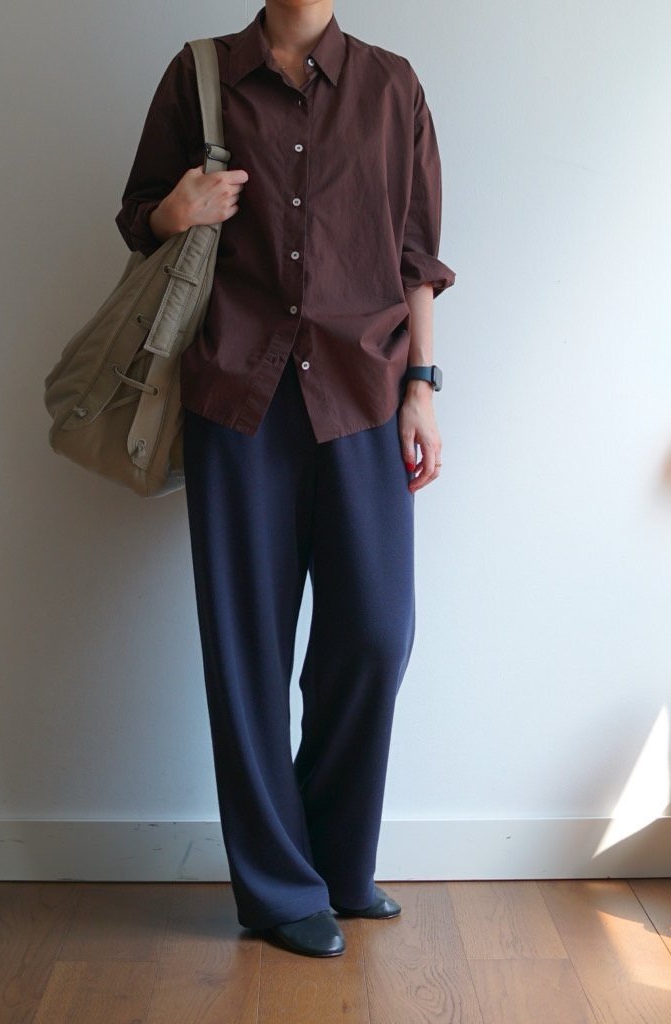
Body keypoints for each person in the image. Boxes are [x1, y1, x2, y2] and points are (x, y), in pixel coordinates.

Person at [116, 0, 455, 957]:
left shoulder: (393, 87)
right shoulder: (201, 75)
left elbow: (416, 257)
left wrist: (422, 387)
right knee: (247, 652)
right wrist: (178, 210)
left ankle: (336, 862)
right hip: (238, 397)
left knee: (376, 632)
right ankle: (275, 888)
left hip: (364, 395)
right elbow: (138, 216)